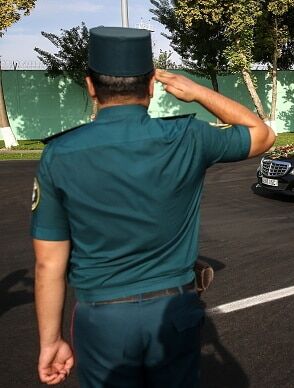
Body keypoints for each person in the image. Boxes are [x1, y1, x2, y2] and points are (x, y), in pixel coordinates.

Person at [31, 26, 275, 387]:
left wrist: (50, 342)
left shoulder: (59, 154)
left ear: (91, 86)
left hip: (103, 320)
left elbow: (48, 263)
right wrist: (197, 92)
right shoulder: (188, 137)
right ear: (150, 86)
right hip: (173, 313)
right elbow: (263, 134)